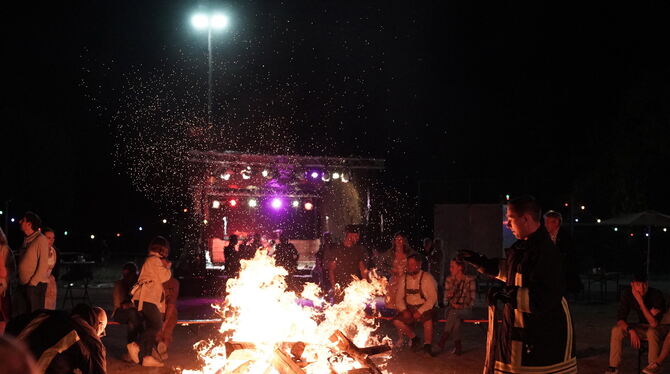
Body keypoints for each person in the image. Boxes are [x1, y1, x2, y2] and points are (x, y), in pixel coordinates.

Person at [459, 195, 576, 374]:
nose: (507, 224)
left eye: (510, 219)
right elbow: (514, 272)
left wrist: (508, 294)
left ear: (525, 219)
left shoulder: (546, 253)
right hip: (521, 332)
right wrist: (480, 262)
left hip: (541, 338)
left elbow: (545, 297)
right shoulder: (523, 247)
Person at [6, 303, 107, 374]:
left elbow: (12, 325)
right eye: (101, 333)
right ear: (99, 324)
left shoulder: (48, 315)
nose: (99, 336)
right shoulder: (89, 337)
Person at [605, 272, 666, 374]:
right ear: (632, 285)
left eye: (644, 284)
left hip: (661, 328)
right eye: (638, 284)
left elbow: (654, 323)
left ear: (647, 284)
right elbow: (620, 319)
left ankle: (652, 368)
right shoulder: (627, 293)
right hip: (642, 327)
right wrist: (631, 330)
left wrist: (640, 301)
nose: (642, 288)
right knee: (616, 330)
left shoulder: (656, 294)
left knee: (652, 331)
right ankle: (613, 367)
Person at [128, 236, 172, 367]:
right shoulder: (154, 260)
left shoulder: (151, 260)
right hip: (147, 298)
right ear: (162, 249)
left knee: (152, 327)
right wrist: (167, 267)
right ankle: (136, 346)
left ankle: (146, 357)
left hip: (145, 298)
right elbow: (164, 277)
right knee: (156, 326)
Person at [391, 253, 438, 354]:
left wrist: (420, 311)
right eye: (408, 264)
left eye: (412, 264)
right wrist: (404, 310)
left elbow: (433, 298)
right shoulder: (404, 278)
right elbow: (399, 298)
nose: (409, 267)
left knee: (428, 320)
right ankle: (414, 338)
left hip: (424, 307)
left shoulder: (427, 278)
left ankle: (427, 345)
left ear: (419, 264)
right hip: (410, 307)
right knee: (397, 321)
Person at [434, 258, 476, 356]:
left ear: (460, 268)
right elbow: (445, 303)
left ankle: (442, 342)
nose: (450, 269)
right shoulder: (449, 280)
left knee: (454, 314)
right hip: (451, 310)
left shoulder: (470, 280)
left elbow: (472, 302)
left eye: (452, 267)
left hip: (465, 310)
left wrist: (460, 306)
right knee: (454, 317)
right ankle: (458, 347)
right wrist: (449, 296)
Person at [16, 212, 50, 314]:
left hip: (35, 286)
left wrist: (32, 283)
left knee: (34, 317)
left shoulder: (40, 239)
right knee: (23, 315)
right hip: (24, 284)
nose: (20, 222)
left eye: (23, 220)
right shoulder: (27, 240)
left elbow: (43, 265)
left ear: (29, 224)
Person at [325, 225, 369, 302]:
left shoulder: (358, 250)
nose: (358, 238)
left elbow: (362, 269)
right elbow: (331, 270)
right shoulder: (336, 249)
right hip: (340, 285)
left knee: (355, 309)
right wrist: (334, 286)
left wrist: (365, 283)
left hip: (354, 286)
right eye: (356, 235)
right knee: (340, 309)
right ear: (349, 235)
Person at [544, 210, 583, 297]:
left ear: (556, 222)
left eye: (547, 222)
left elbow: (568, 258)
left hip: (563, 276)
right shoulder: (546, 237)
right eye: (545, 222)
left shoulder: (565, 237)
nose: (545, 224)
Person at [375, 232, 414, 310]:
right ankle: (391, 319)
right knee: (392, 302)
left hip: (406, 281)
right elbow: (380, 263)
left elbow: (417, 261)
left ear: (404, 241)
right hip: (394, 281)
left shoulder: (410, 253)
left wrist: (409, 270)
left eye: (400, 239)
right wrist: (390, 270)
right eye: (396, 239)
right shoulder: (390, 253)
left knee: (405, 302)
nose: (398, 241)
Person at [112, 262, 142, 357]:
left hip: (135, 314)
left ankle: (131, 352)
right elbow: (120, 306)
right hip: (120, 313)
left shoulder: (138, 285)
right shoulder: (120, 284)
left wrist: (132, 305)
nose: (126, 277)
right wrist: (132, 305)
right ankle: (143, 339)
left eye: (129, 274)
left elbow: (141, 303)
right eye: (124, 274)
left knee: (132, 324)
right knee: (132, 313)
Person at [156, 275, 180, 360]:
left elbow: (171, 304)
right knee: (157, 320)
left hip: (168, 309)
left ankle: (163, 344)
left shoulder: (174, 283)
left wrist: (165, 321)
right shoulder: (154, 281)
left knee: (171, 316)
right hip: (155, 308)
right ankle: (159, 344)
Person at [1, 226, 16, 334]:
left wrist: (5, 279)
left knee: (4, 314)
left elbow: (10, 269)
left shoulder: (5, 250)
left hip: (2, 287)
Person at [423, 237, 445, 306]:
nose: (435, 245)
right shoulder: (434, 252)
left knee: (438, 288)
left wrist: (429, 258)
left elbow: (434, 260)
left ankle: (439, 302)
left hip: (437, 274)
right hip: (434, 273)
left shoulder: (440, 252)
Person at [42, 228, 60, 310]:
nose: (51, 240)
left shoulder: (54, 251)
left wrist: (54, 278)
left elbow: (56, 268)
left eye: (53, 238)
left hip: (50, 281)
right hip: (39, 281)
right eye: (48, 238)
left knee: (50, 306)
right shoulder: (39, 250)